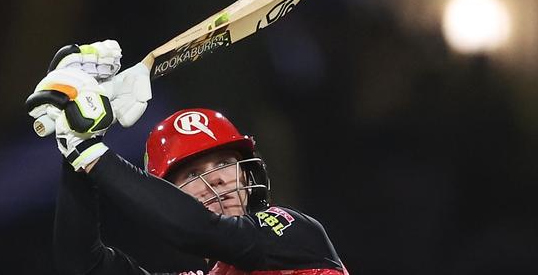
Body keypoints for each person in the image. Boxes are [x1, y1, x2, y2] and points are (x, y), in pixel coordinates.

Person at [26, 40, 349, 275]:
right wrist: (77, 148)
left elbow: (201, 231)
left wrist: (94, 154)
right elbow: (82, 266)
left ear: (247, 176)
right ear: (164, 194)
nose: (217, 178)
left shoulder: (295, 234)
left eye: (225, 163)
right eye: (193, 173)